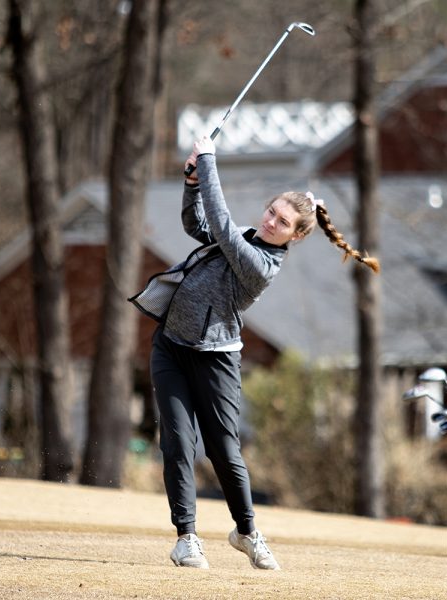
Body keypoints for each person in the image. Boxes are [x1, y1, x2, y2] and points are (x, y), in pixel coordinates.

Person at [129, 135, 379, 570]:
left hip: (216, 359)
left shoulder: (261, 265)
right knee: (178, 443)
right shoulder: (244, 236)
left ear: (296, 236)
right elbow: (199, 225)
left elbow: (221, 226)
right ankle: (186, 537)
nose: (270, 222)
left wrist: (208, 160)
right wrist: (191, 182)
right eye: (271, 211)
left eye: (282, 222)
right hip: (171, 346)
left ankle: (246, 532)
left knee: (225, 450)